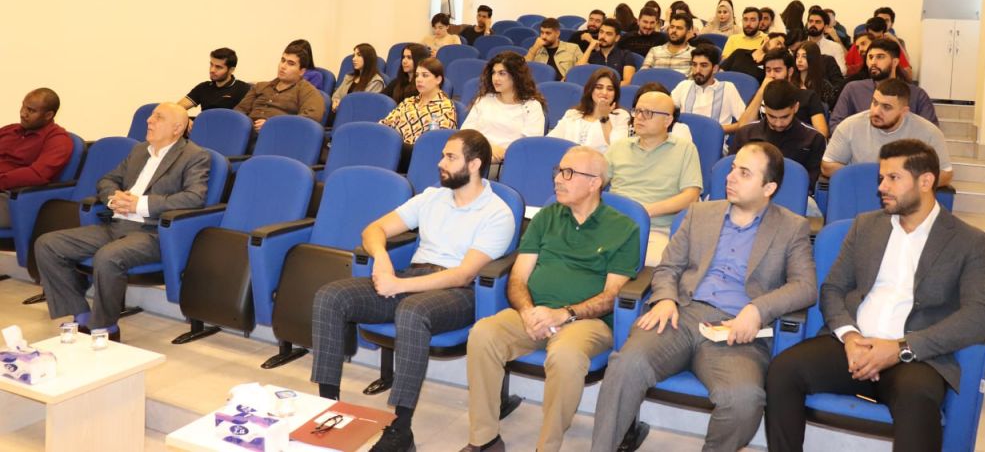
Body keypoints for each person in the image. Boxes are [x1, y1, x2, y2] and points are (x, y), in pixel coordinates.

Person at [766, 139, 985, 452]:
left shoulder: (969, 241)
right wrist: (850, 337)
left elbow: (982, 315)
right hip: (852, 347)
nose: (881, 187)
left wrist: (901, 348)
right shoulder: (866, 226)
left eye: (893, 178)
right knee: (783, 371)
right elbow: (833, 288)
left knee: (919, 401)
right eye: (881, 178)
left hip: (915, 358)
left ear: (926, 181)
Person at [591, 142, 817, 452]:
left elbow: (805, 286)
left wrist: (757, 310)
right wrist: (666, 298)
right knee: (625, 366)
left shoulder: (791, 227)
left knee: (744, 400)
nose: (730, 177)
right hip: (681, 315)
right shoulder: (700, 213)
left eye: (744, 173)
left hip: (736, 330)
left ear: (769, 188)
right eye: (733, 168)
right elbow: (668, 267)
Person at [310, 130, 515, 452]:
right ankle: (328, 408)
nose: (440, 163)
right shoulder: (432, 197)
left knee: (412, 311)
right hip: (412, 276)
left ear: (475, 164)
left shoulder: (497, 213)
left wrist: (400, 285)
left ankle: (401, 430)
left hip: (459, 293)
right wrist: (382, 259)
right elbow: (374, 229)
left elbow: (463, 274)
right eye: (442, 155)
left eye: (450, 157)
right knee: (330, 296)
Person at [462, 146, 641, 452]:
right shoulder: (546, 217)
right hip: (533, 313)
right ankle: (484, 439)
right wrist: (528, 311)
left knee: (566, 357)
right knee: (483, 334)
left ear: (595, 182)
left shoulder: (623, 228)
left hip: (587, 322)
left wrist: (564, 314)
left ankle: (547, 446)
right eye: (558, 171)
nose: (558, 179)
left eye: (569, 173)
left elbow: (611, 296)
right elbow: (518, 278)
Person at [35, 103, 209, 342]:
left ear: (177, 128)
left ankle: (105, 327)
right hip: (116, 225)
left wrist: (140, 204)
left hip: (153, 232)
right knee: (47, 245)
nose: (149, 120)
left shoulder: (195, 156)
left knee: (108, 256)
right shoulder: (139, 150)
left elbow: (194, 197)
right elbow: (107, 180)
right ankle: (81, 315)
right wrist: (113, 197)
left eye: (158, 117)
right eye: (151, 116)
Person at [606, 91, 702, 264]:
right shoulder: (619, 147)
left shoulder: (685, 149)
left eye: (648, 113)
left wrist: (643, 211)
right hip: (611, 224)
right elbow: (594, 181)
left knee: (653, 263)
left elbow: (691, 197)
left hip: (654, 229)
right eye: (637, 111)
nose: (639, 117)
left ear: (667, 120)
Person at [822, 78, 953, 187]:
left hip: (907, 198)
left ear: (904, 112)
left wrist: (906, 184)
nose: (876, 111)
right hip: (860, 191)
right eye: (875, 102)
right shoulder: (849, 126)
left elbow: (945, 174)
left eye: (886, 107)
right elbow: (827, 166)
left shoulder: (930, 133)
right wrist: (871, 177)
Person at [732, 80, 827, 188]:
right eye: (772, 116)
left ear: (796, 107)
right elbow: (732, 171)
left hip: (792, 194)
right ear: (764, 108)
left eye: (785, 117)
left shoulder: (814, 139)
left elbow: (810, 184)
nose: (778, 123)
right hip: (749, 191)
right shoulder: (746, 134)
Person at [828, 38, 938, 132]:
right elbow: (836, 124)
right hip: (861, 148)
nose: (873, 62)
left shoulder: (917, 95)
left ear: (895, 62)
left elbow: (931, 131)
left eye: (880, 57)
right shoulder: (853, 89)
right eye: (870, 57)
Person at [0, 89, 73, 228]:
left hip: (13, 198)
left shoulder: (58, 140)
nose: (23, 113)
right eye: (23, 106)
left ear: (48, 115)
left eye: (31, 110)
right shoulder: (10, 130)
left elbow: (38, 174)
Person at [462, 52, 546, 166]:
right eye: (494, 73)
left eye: (502, 73)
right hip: (478, 154)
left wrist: (503, 153)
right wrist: (489, 148)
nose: (496, 78)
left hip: (512, 162)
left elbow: (530, 145)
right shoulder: (484, 100)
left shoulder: (532, 106)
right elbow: (466, 133)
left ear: (516, 76)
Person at [379, 57, 457, 170]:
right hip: (395, 152)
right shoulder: (408, 102)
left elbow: (437, 142)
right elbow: (385, 124)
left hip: (421, 157)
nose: (419, 79)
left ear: (438, 79)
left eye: (425, 75)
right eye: (417, 75)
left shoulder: (445, 106)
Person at [234, 43, 325, 131]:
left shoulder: (309, 92)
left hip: (279, 135)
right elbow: (239, 111)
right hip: (245, 132)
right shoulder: (260, 86)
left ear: (302, 71)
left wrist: (273, 125)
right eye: (282, 60)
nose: (283, 66)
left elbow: (310, 119)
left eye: (291, 63)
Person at [738, 48, 828, 138]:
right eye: (768, 70)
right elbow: (743, 128)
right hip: (762, 144)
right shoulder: (759, 96)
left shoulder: (808, 96)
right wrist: (761, 92)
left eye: (777, 70)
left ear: (790, 72)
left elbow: (822, 135)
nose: (772, 75)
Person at [548, 67, 630, 153]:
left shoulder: (621, 116)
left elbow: (618, 149)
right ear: (591, 90)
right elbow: (551, 141)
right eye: (599, 87)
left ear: (615, 94)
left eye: (610, 89)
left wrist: (604, 117)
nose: (604, 92)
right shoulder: (572, 114)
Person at [669, 44, 747, 134]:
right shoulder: (684, 85)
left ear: (715, 69)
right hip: (682, 139)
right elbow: (665, 111)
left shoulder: (728, 88)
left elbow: (744, 123)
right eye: (694, 65)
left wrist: (714, 130)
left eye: (704, 65)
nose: (697, 70)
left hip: (713, 140)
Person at [178, 47, 251, 112]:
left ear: (231, 70)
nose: (212, 70)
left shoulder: (243, 89)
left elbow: (252, 116)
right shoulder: (203, 87)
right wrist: (186, 120)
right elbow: (177, 108)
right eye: (211, 64)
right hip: (205, 122)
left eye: (218, 67)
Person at [526, 17, 584, 82]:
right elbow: (523, 69)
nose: (543, 37)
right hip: (541, 85)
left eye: (548, 33)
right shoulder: (536, 49)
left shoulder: (573, 48)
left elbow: (583, 69)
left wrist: (567, 78)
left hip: (564, 85)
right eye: (542, 33)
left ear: (557, 34)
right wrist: (534, 48)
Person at [332, 43, 386, 111]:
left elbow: (363, 105)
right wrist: (335, 101)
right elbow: (336, 96)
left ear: (368, 59)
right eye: (354, 55)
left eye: (359, 55)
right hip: (341, 112)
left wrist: (342, 104)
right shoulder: (349, 77)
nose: (354, 59)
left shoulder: (376, 82)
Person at [792, 41, 842, 110]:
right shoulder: (791, 83)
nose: (799, 60)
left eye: (804, 57)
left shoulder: (823, 85)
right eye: (797, 56)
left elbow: (832, 108)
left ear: (813, 59)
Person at [721, 31, 787, 83]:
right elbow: (721, 73)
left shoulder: (769, 67)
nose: (779, 47)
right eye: (778, 43)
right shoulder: (739, 52)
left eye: (782, 48)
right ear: (766, 39)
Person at [582, 18, 635, 83]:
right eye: (601, 32)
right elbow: (577, 73)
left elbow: (627, 82)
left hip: (618, 89)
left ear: (617, 38)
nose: (603, 36)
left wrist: (608, 88)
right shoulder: (592, 56)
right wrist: (590, 47)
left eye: (608, 34)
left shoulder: (625, 55)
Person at [804, 7, 847, 75]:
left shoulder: (835, 47)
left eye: (817, 22)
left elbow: (842, 71)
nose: (813, 24)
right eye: (810, 21)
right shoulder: (800, 45)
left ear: (825, 27)